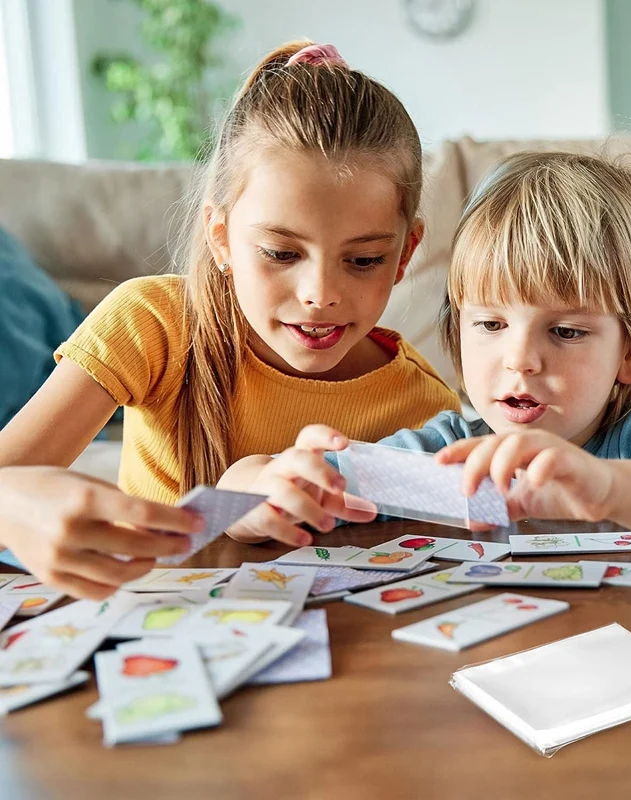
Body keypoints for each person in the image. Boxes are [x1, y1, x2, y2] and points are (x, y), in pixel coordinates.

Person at [0, 41, 459, 599]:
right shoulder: (153, 323)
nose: (320, 295)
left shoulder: (426, 408)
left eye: (363, 260)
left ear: (406, 254)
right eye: (281, 254)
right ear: (220, 237)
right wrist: (17, 505)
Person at [248, 151, 631, 556]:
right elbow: (270, 492)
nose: (520, 360)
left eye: (567, 332)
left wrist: (606, 488)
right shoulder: (448, 454)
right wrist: (254, 487)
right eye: (489, 324)